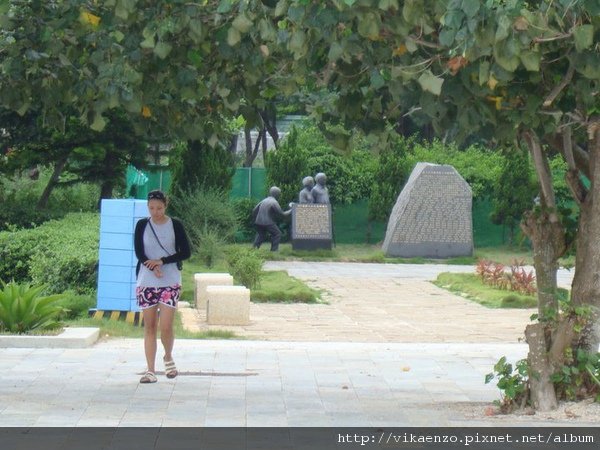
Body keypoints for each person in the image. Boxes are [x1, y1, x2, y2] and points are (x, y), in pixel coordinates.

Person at [134, 189, 191, 384]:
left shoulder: (175, 225)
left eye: (159, 208)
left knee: (165, 326)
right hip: (146, 281)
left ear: (165, 206)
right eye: (151, 208)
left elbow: (186, 252)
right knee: (149, 326)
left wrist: (162, 262)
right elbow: (139, 252)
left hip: (170, 281)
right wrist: (151, 265)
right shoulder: (142, 225)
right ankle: (150, 370)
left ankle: (168, 356)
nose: (155, 212)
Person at [252, 186, 291, 251]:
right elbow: (282, 214)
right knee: (277, 234)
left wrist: (256, 219)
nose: (280, 196)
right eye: (279, 194)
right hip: (268, 222)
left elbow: (254, 210)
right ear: (277, 194)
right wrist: (292, 210)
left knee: (261, 235)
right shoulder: (274, 202)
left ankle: (254, 249)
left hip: (258, 221)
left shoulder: (264, 200)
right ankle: (274, 250)